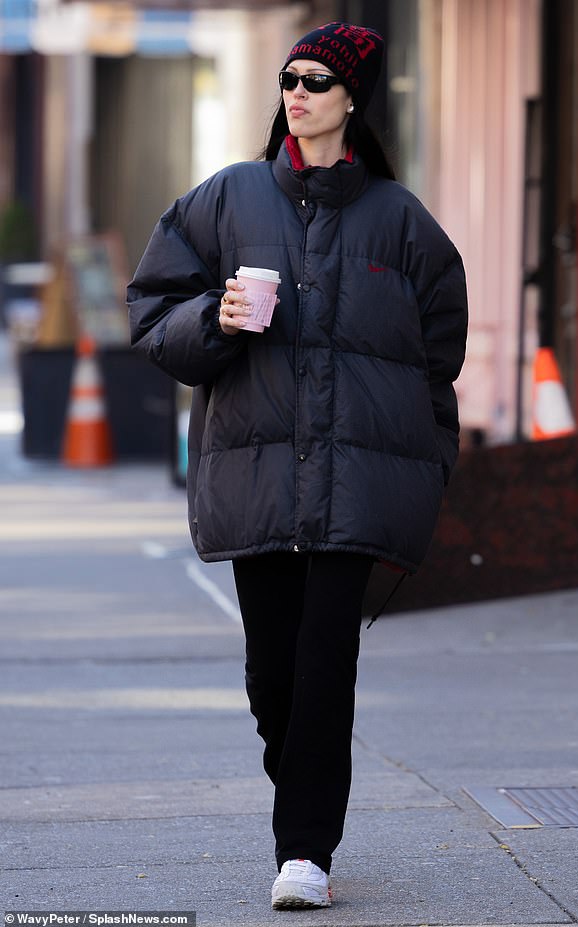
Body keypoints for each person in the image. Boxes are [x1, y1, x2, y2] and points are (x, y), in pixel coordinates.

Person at [127, 21, 467, 911]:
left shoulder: (402, 223)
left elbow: (439, 356)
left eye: (318, 79)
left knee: (326, 666)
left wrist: (431, 460)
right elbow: (153, 312)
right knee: (273, 676)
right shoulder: (229, 196)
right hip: (258, 474)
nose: (299, 91)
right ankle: (302, 778)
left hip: (356, 480)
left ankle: (304, 851)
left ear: (353, 99)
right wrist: (217, 319)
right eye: (290, 77)